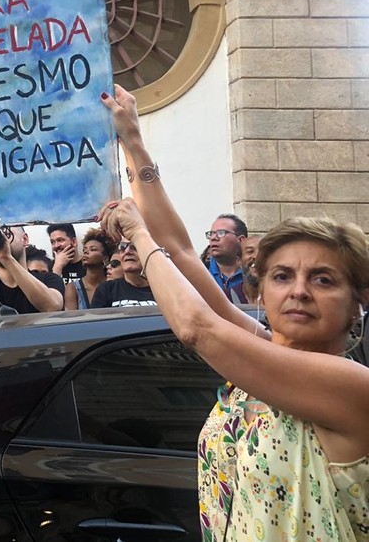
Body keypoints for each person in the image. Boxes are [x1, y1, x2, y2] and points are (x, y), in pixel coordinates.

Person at [99, 83, 369, 539]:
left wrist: (138, 238)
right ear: (260, 292)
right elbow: (183, 250)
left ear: (358, 303)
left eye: (323, 279)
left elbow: (197, 328)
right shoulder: (262, 348)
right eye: (282, 276)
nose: (298, 291)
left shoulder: (351, 386)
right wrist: (134, 143)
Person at [89, 240, 156, 308]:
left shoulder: (162, 289)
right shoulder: (106, 289)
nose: (127, 252)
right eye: (122, 247)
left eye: (135, 246)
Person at [64, 229, 115, 310]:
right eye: (84, 250)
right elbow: (71, 320)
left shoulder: (114, 286)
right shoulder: (73, 288)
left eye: (93, 249)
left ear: (105, 258)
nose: (86, 252)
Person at [206, 213, 249, 304]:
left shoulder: (254, 274)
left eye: (221, 233)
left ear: (241, 240)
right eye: (211, 234)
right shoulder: (200, 272)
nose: (213, 238)